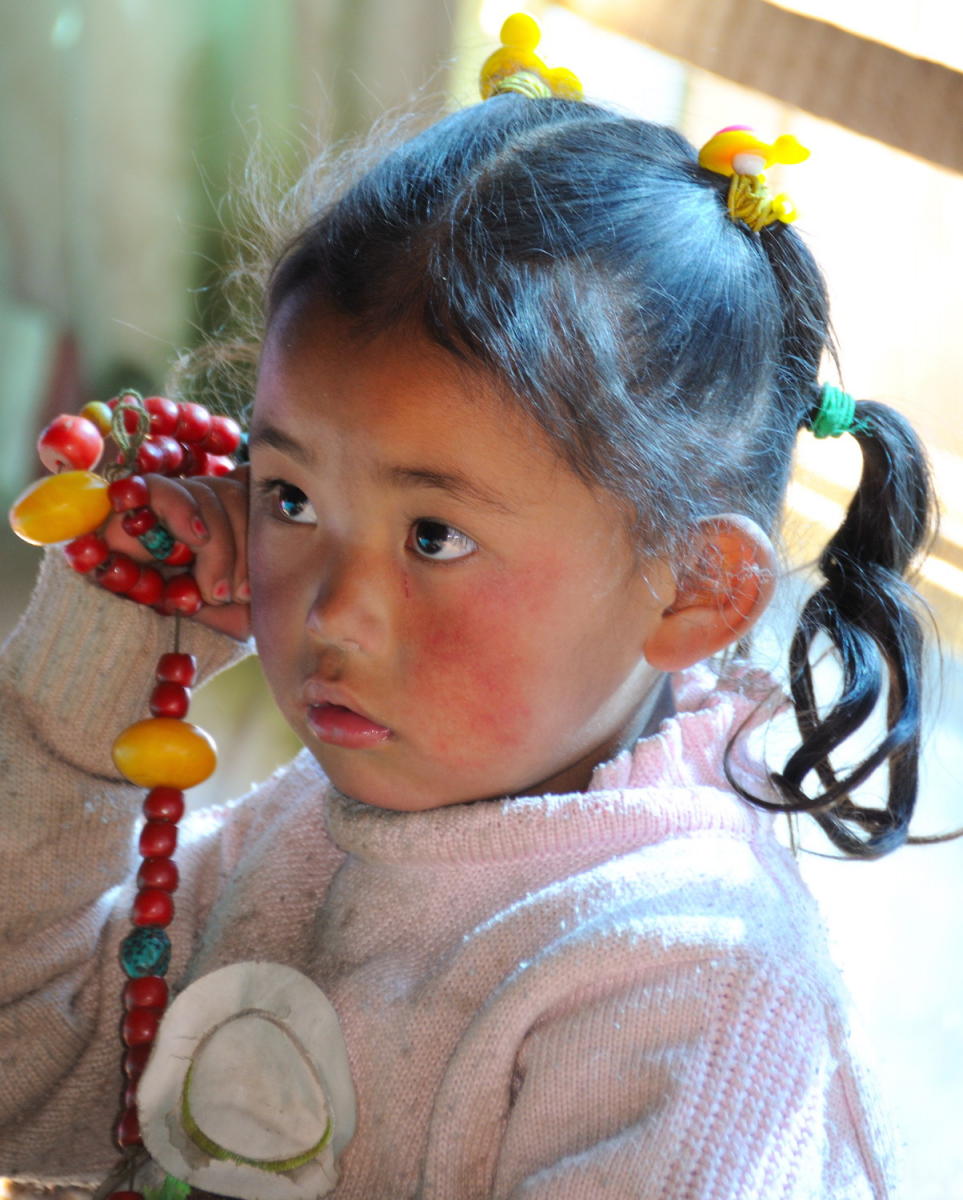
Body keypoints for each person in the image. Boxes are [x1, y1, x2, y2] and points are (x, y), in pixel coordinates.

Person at [0, 16, 941, 1199]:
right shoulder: (322, 825)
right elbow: (30, 1081)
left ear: (696, 590)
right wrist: (104, 674)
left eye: (432, 535)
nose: (333, 614)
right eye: (289, 496)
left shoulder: (695, 997)